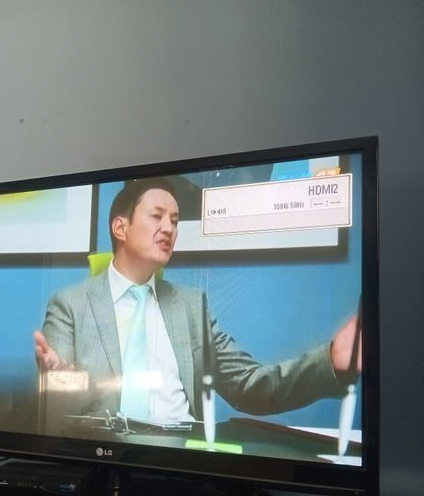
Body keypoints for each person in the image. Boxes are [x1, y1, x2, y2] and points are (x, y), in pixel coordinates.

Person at [34, 178, 360, 423]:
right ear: (121, 227)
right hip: (107, 457)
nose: (169, 229)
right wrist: (59, 379)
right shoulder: (70, 305)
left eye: (175, 221)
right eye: (157, 216)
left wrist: (331, 360)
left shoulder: (192, 307)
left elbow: (251, 387)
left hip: (181, 461)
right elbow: (59, 416)